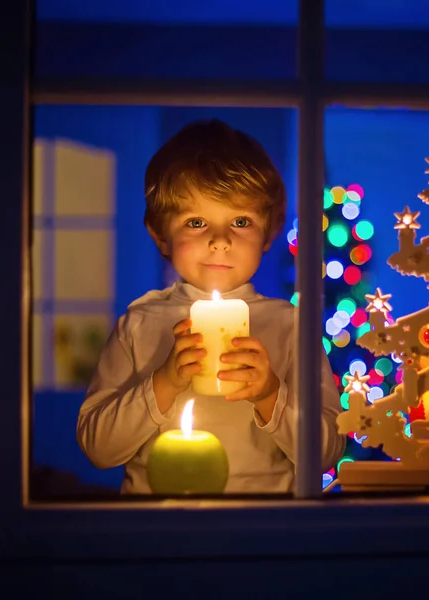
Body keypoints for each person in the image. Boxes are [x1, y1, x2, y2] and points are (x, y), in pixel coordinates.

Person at [77, 119, 345, 494]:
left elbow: (328, 449)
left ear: (268, 232)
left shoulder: (289, 326)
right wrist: (164, 383)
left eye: (240, 221)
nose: (220, 240)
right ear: (161, 235)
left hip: (259, 528)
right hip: (155, 528)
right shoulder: (139, 324)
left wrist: (269, 393)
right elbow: (98, 447)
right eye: (197, 221)